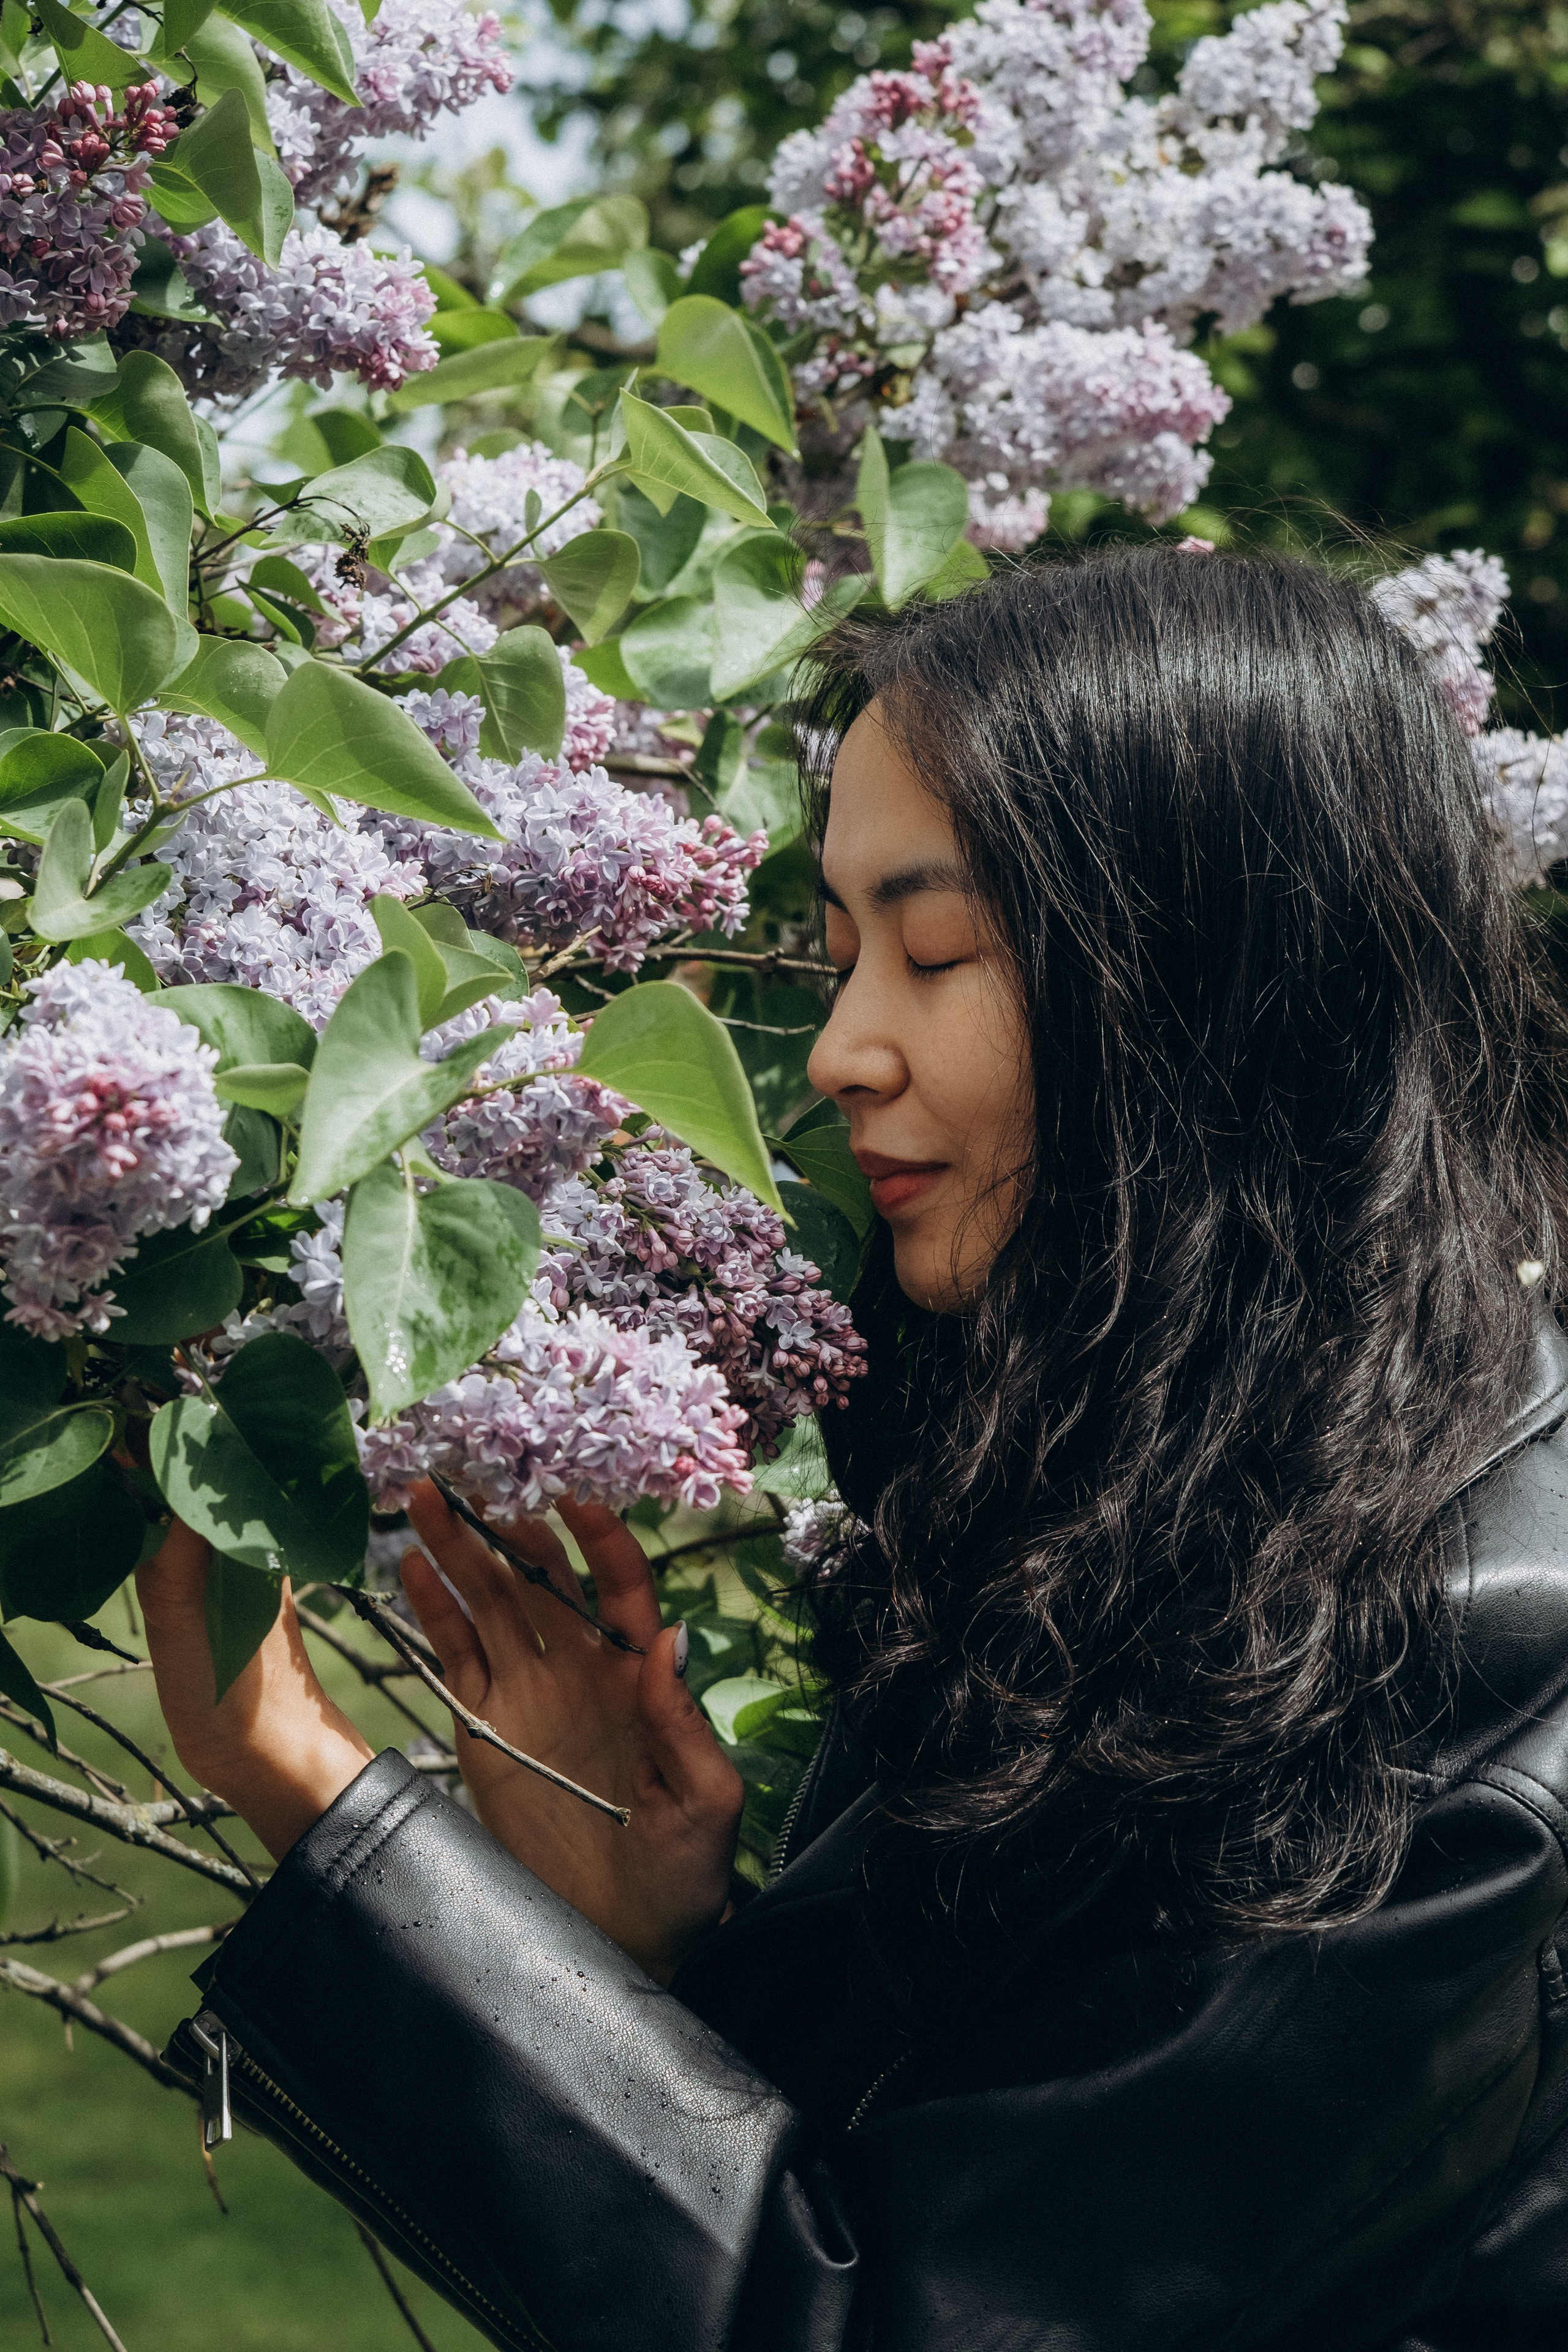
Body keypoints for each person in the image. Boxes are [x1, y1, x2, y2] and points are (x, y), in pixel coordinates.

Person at [138, 546, 1568, 2352]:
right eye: (838, 955)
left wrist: (317, 1793)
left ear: (1216, 982)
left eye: (938, 950)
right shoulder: (1188, 1468)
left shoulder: (1479, 1669)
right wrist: (651, 1955)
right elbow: (962, 2160)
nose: (838, 1051)